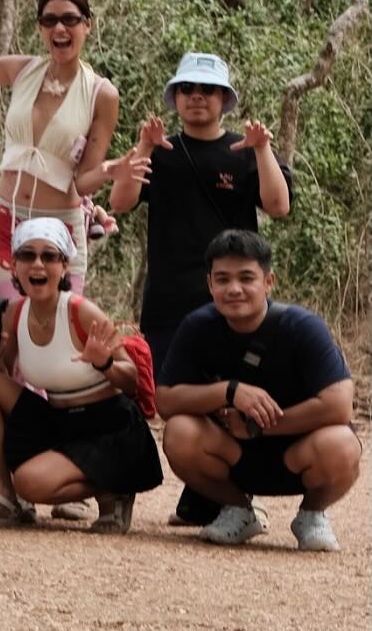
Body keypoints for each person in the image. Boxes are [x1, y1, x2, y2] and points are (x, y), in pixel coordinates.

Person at [0, 0, 144, 522]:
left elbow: (86, 177)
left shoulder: (101, 92)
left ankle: (73, 468)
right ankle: (11, 491)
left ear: (87, 25)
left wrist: (113, 169)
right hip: (4, 218)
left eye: (70, 19)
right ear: (40, 27)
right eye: (50, 20)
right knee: (9, 345)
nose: (60, 29)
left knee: (62, 341)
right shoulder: (22, 70)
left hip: (60, 225)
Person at [109, 51, 293, 527]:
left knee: (228, 396)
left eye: (207, 90)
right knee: (170, 393)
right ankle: (191, 492)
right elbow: (120, 202)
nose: (197, 97)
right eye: (187, 89)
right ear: (175, 97)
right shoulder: (160, 151)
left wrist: (262, 149)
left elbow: (279, 206)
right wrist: (143, 147)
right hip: (169, 296)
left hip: (234, 302)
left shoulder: (244, 151)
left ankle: (214, 496)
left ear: (224, 99)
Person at [157, 230, 359, 551]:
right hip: (232, 457)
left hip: (300, 453)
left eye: (246, 278)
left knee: (343, 444)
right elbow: (166, 401)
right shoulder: (197, 327)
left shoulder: (303, 327)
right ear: (210, 284)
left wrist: (258, 426)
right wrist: (229, 390)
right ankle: (237, 510)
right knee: (179, 432)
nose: (234, 289)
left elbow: (339, 405)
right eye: (222, 279)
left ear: (268, 282)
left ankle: (312, 514)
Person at [0, 217, 163, 531]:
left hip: (108, 426)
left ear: (64, 266)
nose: (38, 264)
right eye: (27, 255)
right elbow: (1, 376)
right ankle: (4, 498)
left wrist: (105, 364)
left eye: (49, 256)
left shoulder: (81, 312)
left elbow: (131, 378)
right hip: (57, 420)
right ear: (15, 266)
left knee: (30, 482)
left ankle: (116, 488)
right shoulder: (14, 314)